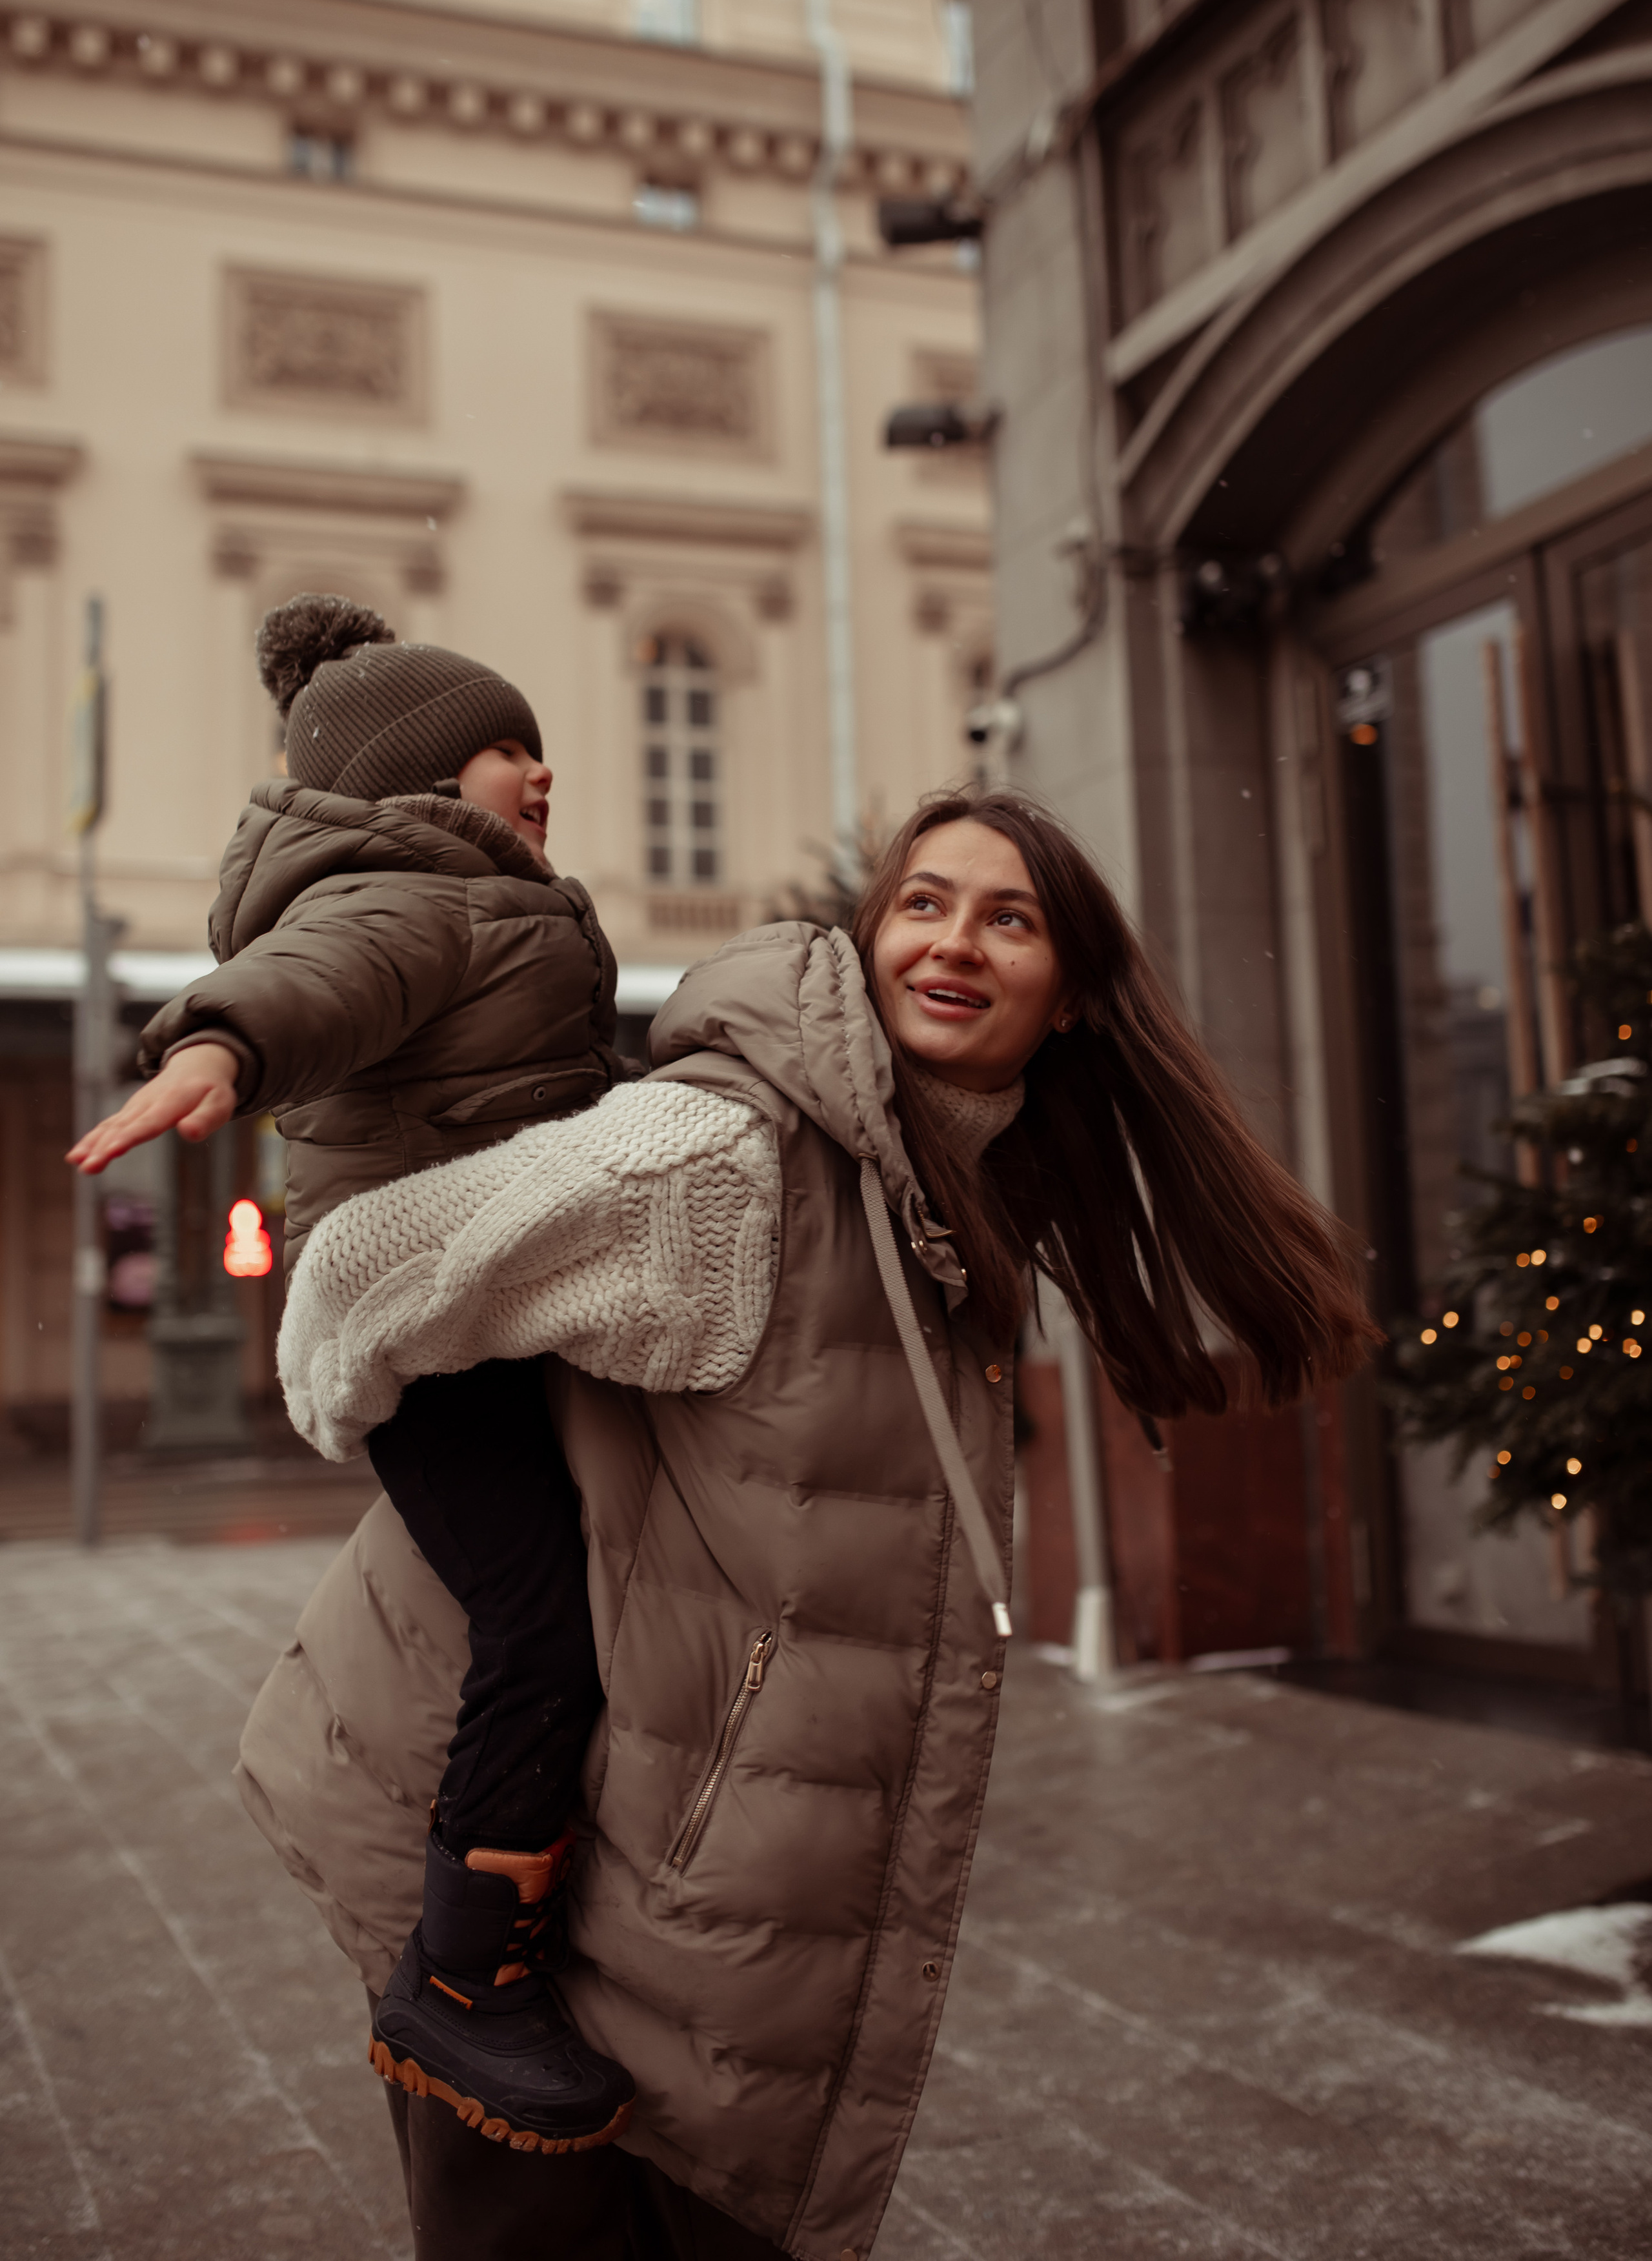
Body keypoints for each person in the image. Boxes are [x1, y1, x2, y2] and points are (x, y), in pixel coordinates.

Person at [245, 788, 1378, 2260]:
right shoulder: (729, 1163)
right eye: (922, 902)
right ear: (869, 936)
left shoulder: (936, 1192)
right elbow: (355, 1282)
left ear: (1075, 995)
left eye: (1006, 917)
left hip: (688, 1889)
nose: (951, 942)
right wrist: (461, 1489)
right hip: (544, 1887)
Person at [67, 594, 638, 2153]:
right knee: (544, 1624)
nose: (538, 773)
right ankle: (461, 1985)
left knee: (548, 1594)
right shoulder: (410, 890)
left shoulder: (480, 891)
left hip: (490, 1294)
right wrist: (217, 1048)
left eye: (540, 747)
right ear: (416, 781)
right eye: (503, 749)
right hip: (426, 1318)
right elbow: (321, 979)